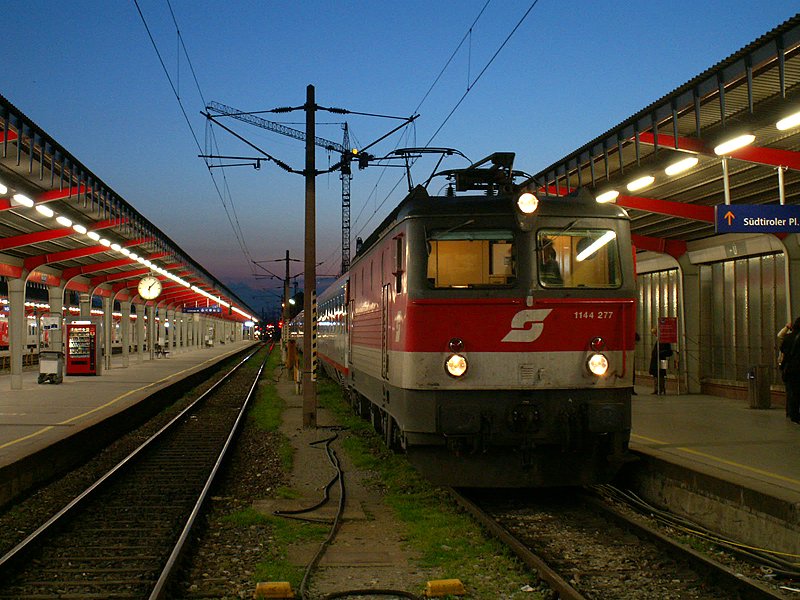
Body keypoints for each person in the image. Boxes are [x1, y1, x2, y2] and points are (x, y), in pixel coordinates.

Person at [779, 317, 800, 424]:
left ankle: (792, 414)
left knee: (792, 392)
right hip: (798, 369)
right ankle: (795, 415)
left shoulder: (788, 337)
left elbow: (781, 347)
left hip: (788, 369)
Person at [649, 327, 672, 395]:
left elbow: (669, 352)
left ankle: (661, 388)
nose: (655, 335)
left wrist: (660, 353)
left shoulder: (664, 341)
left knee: (661, 374)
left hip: (661, 360)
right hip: (659, 360)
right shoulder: (659, 341)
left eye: (656, 333)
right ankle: (657, 389)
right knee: (656, 374)